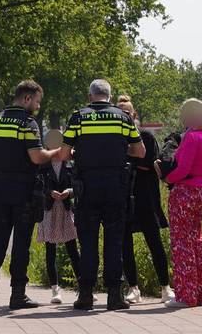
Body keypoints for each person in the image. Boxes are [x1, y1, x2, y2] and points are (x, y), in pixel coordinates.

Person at [57, 79, 145, 311]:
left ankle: (85, 295)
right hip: (116, 186)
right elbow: (140, 150)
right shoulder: (122, 117)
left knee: (88, 242)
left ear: (90, 96)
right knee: (114, 241)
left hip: (87, 187)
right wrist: (117, 150)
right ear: (109, 96)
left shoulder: (78, 117)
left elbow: (65, 154)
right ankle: (114, 296)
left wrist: (82, 152)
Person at [0, 80, 59, 310]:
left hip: (1, 190)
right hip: (24, 192)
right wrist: (57, 153)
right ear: (27, 98)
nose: (38, 107)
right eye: (37, 102)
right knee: (21, 243)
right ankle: (17, 295)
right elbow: (36, 157)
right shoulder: (27, 123)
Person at [158, 98, 202, 308]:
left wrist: (167, 178)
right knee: (196, 242)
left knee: (181, 244)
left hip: (185, 193)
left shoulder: (192, 137)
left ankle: (186, 296)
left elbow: (182, 169)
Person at [115, 96, 171, 304]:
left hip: (146, 198)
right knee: (125, 244)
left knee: (154, 242)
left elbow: (149, 162)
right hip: (124, 197)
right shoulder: (114, 137)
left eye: (127, 113)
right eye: (120, 113)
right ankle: (133, 288)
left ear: (134, 115)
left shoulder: (145, 136)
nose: (125, 116)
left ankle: (165, 286)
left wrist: (128, 157)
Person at [36, 130, 81, 304]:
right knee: (50, 250)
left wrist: (68, 192)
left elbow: (77, 184)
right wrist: (49, 193)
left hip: (66, 209)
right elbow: (38, 186)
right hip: (49, 209)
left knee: (72, 249)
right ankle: (55, 290)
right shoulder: (43, 164)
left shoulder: (70, 163)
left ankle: (82, 285)